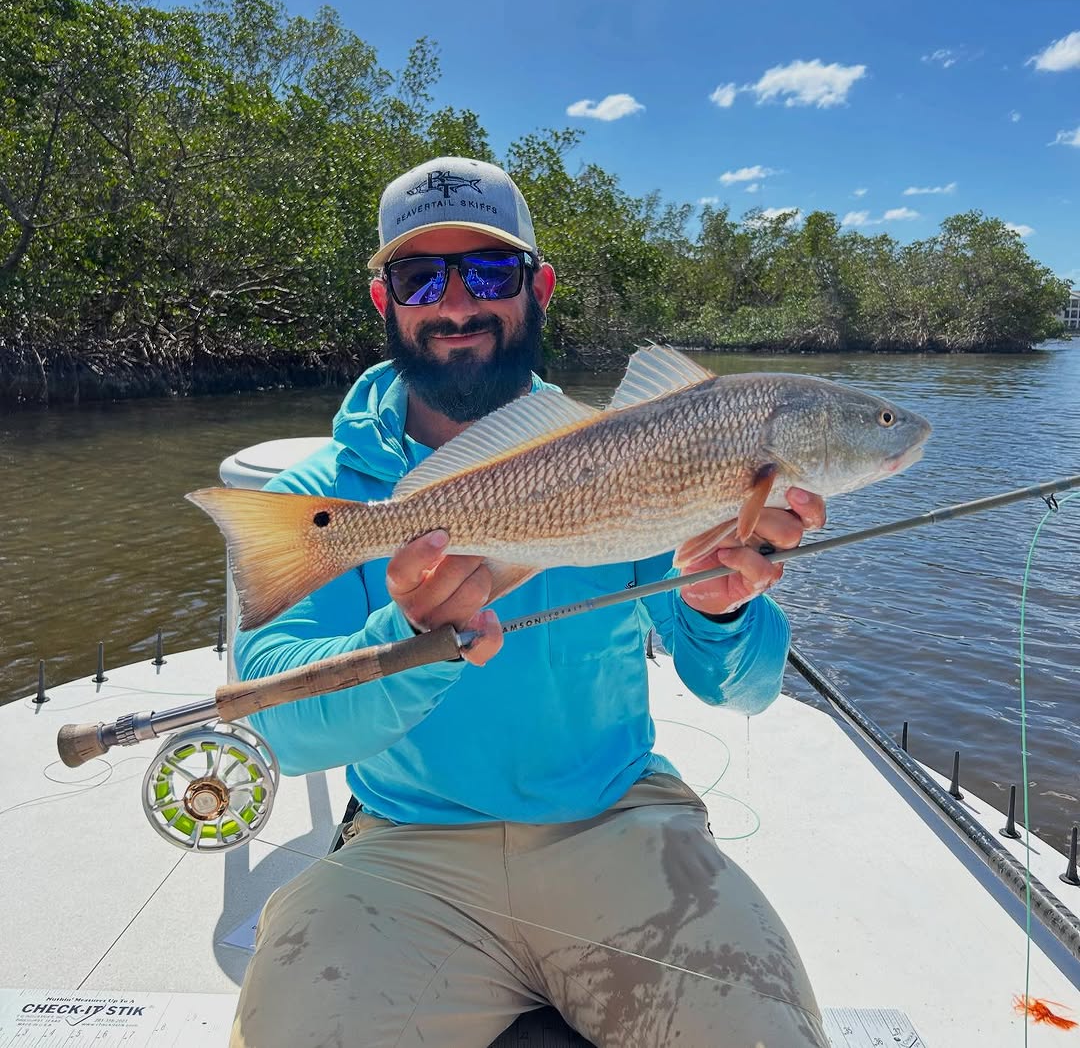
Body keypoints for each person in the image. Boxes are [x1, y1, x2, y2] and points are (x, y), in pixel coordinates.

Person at [228, 156, 829, 1048]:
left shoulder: (641, 455)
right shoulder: (323, 500)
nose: (456, 301)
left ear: (538, 286)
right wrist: (409, 638)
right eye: (420, 274)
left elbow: (740, 692)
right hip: (404, 846)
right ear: (382, 300)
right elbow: (277, 719)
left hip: (619, 824)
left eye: (491, 271)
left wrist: (721, 611)